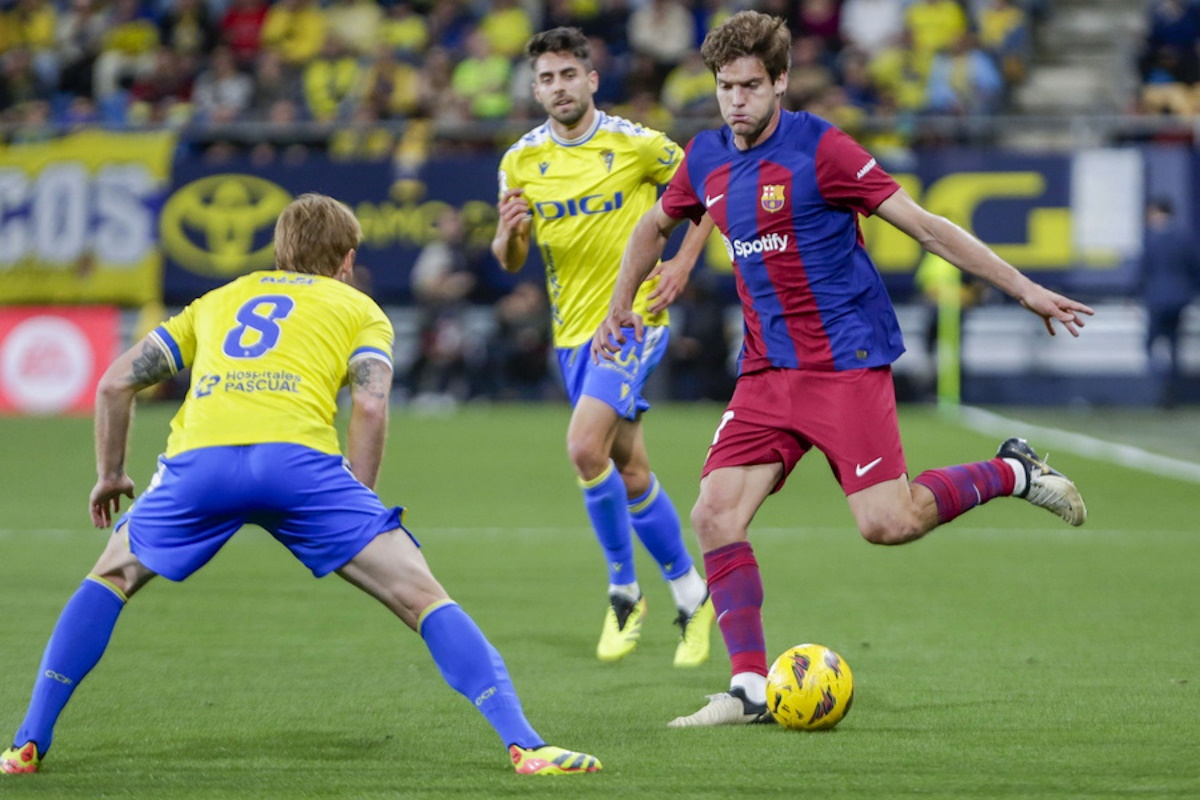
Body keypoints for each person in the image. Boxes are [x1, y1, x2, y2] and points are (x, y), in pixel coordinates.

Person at [592, 10, 1094, 728]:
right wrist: (619, 303)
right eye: (725, 86)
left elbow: (924, 226)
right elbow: (653, 225)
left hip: (844, 364)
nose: (735, 100)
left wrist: (1025, 289)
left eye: (750, 86)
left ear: (781, 82)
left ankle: (1012, 471)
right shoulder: (704, 156)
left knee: (887, 524)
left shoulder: (822, 149)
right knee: (714, 514)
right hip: (766, 373)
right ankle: (748, 691)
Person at [1, 194, 600, 777]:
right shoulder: (357, 308)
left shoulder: (218, 299)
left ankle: (27, 742)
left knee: (111, 576)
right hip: (298, 466)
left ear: (282, 250)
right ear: (345, 260)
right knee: (422, 596)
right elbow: (369, 404)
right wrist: (359, 504)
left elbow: (113, 383)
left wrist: (111, 474)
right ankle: (526, 745)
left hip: (201, 463)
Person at [491, 26, 716, 668]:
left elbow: (708, 197)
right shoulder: (519, 162)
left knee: (583, 446)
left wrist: (679, 268)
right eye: (546, 79)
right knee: (630, 470)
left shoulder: (639, 145)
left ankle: (624, 592)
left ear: (592, 80)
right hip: (571, 336)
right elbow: (509, 262)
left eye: (568, 75)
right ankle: (691, 593)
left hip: (632, 322)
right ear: (535, 89)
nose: (558, 87)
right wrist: (508, 237)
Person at [1140, 196, 1199, 407]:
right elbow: (1195, 268)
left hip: (1157, 299)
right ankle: (1172, 389)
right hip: (1179, 299)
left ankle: (1159, 385)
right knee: (1174, 346)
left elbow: (1143, 270)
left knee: (1150, 344)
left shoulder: (1151, 239)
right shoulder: (1184, 237)